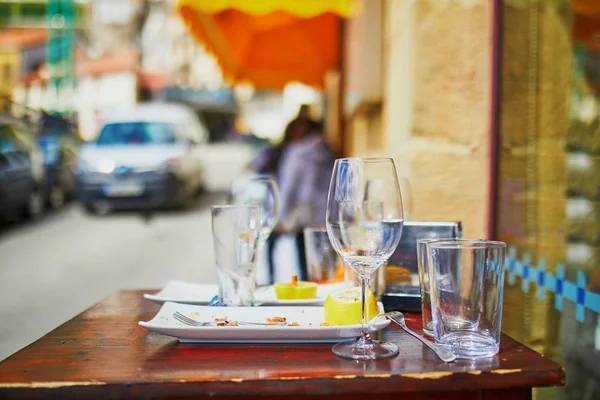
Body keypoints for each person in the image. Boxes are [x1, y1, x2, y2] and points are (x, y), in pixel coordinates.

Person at [250, 106, 335, 283]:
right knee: (326, 267)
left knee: (304, 262)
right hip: (327, 217)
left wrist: (279, 217)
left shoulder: (297, 153)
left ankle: (273, 281)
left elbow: (288, 188)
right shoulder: (326, 151)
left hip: (304, 217)